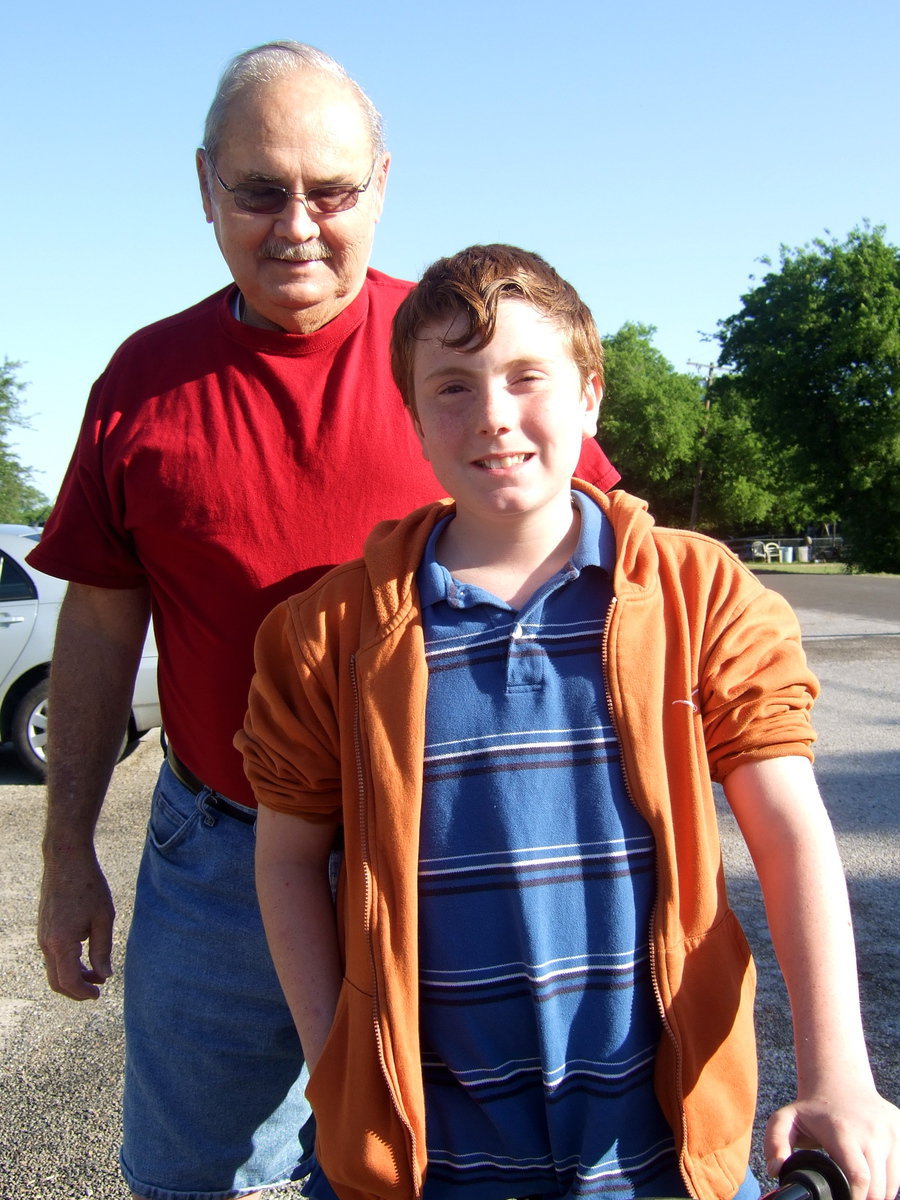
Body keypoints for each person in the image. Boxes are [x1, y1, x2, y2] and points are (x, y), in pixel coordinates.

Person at [29, 43, 621, 1200]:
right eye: (259, 189)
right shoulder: (141, 384)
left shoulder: (465, 370)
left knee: (439, 1171)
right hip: (222, 852)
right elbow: (100, 632)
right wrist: (66, 858)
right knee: (196, 1178)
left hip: (450, 857)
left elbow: (599, 586)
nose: (297, 223)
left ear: (381, 185)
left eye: (331, 190)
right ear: (205, 188)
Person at [239, 244, 900, 1200]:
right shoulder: (327, 633)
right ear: (415, 419)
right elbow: (288, 858)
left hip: (660, 1153)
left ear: (590, 395)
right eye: (454, 387)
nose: (494, 415)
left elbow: (792, 831)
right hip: (436, 1164)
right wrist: (338, 1061)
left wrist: (840, 1071)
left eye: (526, 376)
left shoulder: (697, 593)